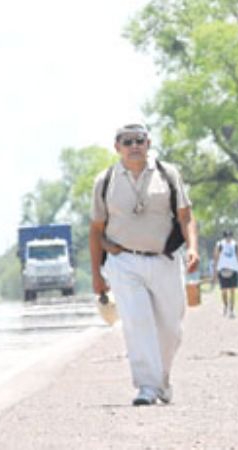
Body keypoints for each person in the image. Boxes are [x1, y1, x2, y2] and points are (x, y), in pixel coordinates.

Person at [89, 122, 199, 406]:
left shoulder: (167, 174)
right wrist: (96, 276)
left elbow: (185, 216)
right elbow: (96, 230)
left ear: (148, 143)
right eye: (127, 142)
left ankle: (162, 378)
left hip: (164, 259)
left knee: (171, 328)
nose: (134, 146)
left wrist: (192, 248)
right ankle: (147, 387)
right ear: (117, 147)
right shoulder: (105, 181)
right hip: (124, 261)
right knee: (137, 322)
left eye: (139, 140)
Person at [213, 230, 238, 318]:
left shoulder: (235, 244)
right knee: (224, 290)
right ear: (224, 237)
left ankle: (232, 310)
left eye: (230, 236)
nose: (228, 238)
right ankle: (225, 306)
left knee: (232, 291)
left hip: (233, 269)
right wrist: (215, 270)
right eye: (227, 236)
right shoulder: (220, 244)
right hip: (222, 269)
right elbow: (216, 257)